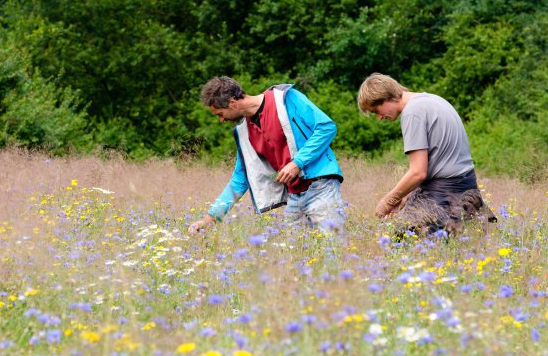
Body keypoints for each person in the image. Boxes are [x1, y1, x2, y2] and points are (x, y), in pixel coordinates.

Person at [189, 76, 345, 233]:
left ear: (232, 103)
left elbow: (326, 127)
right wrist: (209, 219)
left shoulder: (286, 98)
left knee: (331, 250)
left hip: (321, 185)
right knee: (297, 253)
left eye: (220, 114)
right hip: (294, 196)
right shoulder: (244, 132)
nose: (221, 120)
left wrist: (297, 162)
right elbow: (240, 178)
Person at [356, 72, 495, 234]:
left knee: (403, 244)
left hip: (445, 193)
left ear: (385, 97)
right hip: (467, 187)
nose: (379, 117)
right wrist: (405, 197)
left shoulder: (412, 113)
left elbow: (418, 172)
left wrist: (387, 201)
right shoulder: (432, 100)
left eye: (376, 110)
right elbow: (438, 161)